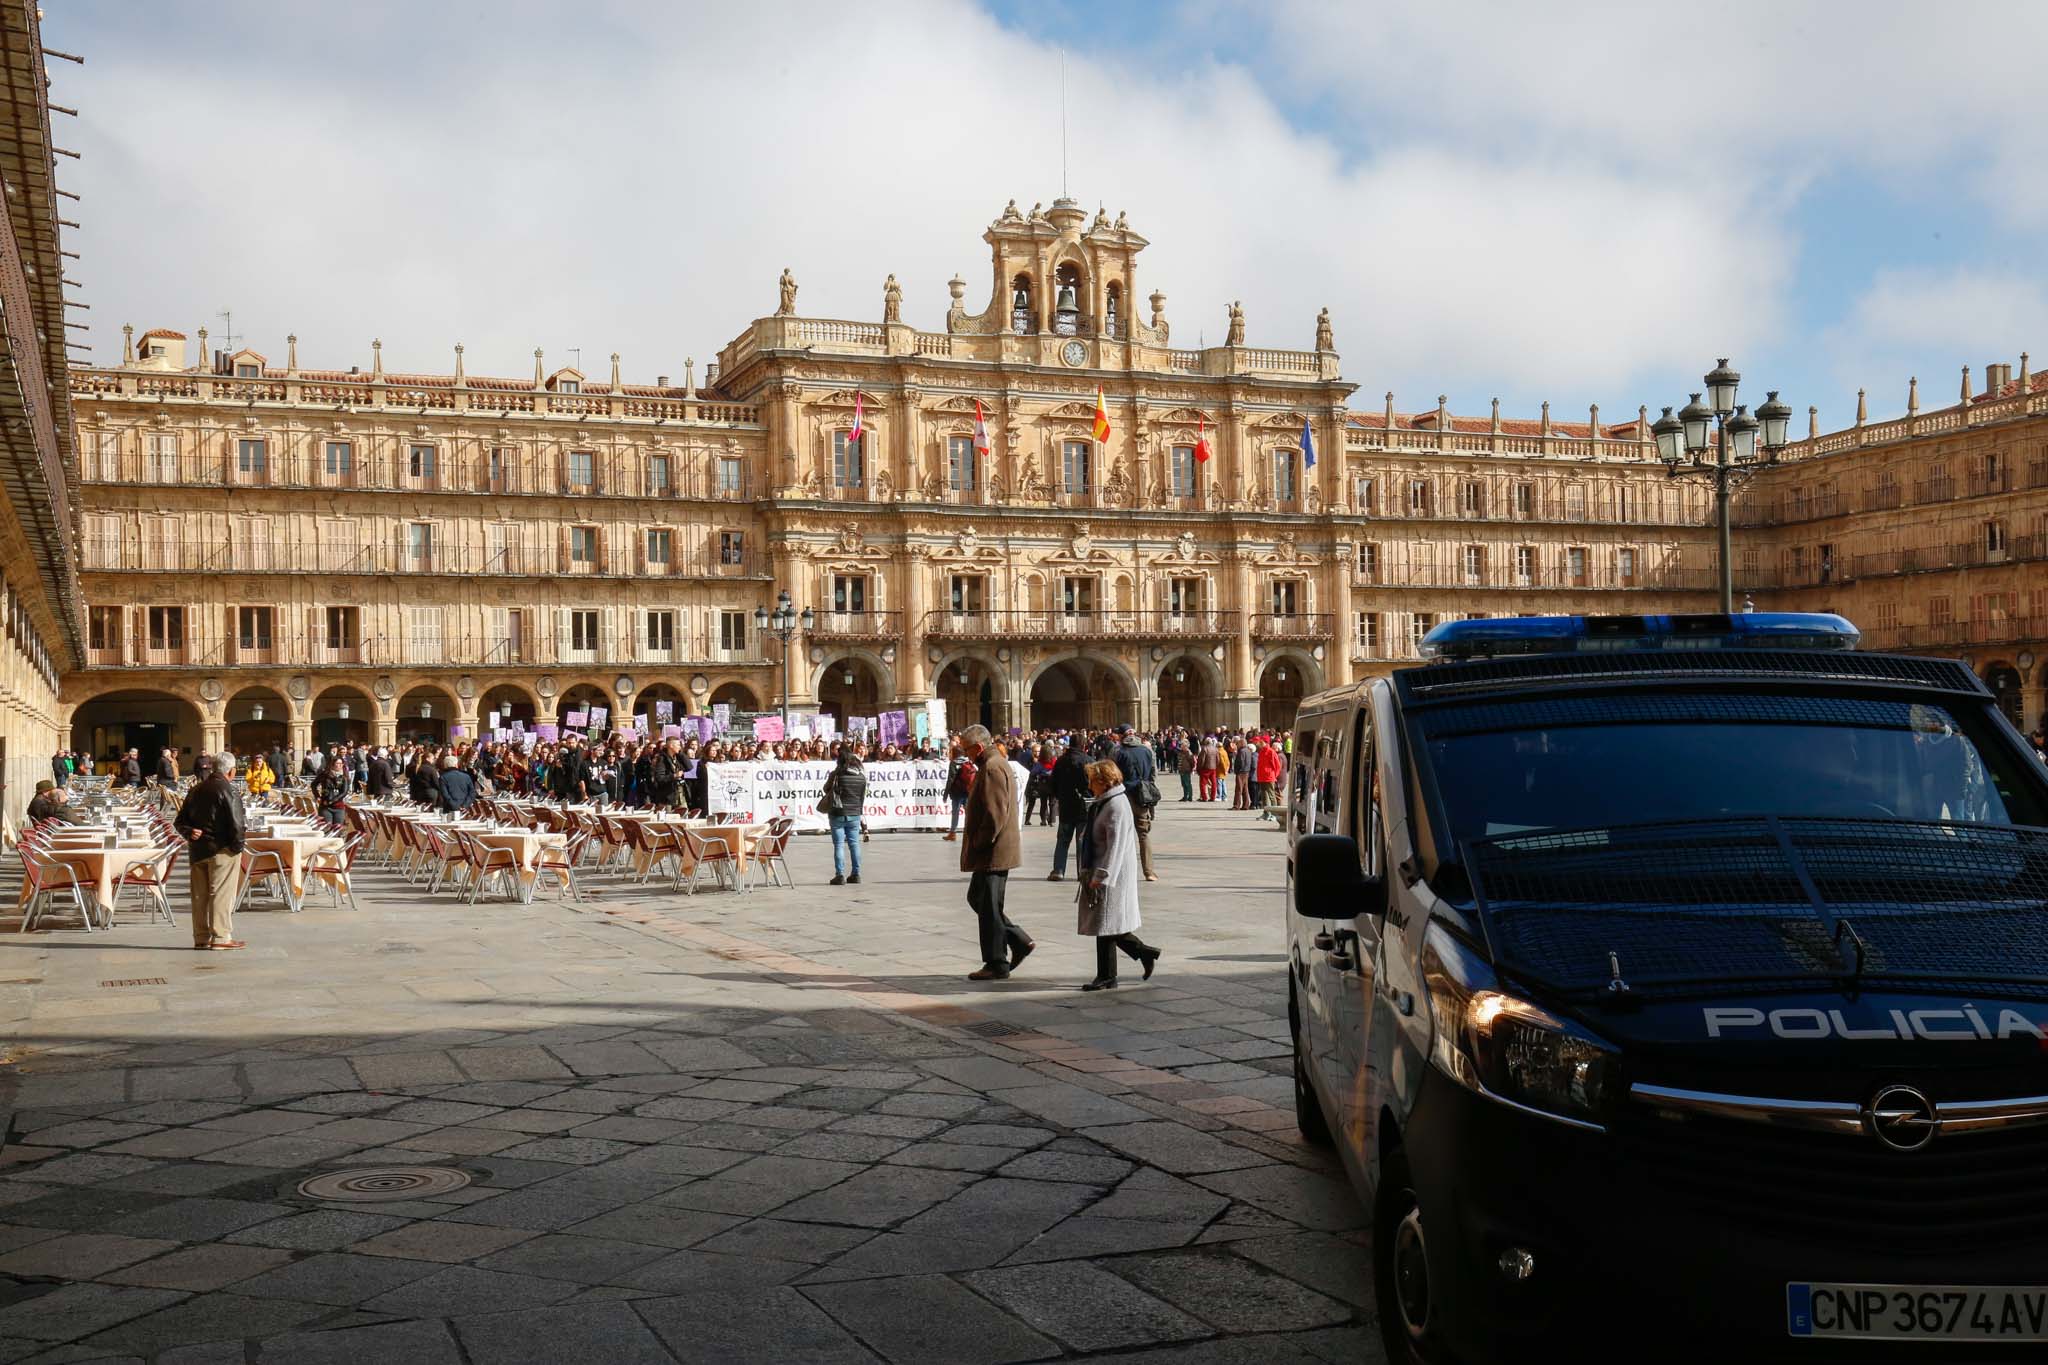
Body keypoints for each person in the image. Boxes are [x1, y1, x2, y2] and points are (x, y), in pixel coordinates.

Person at [1076, 758, 1161, 990]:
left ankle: (1109, 974)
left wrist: (1101, 876)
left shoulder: (1116, 805)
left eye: (1093, 780)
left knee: (1106, 925)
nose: (1090, 785)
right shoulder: (1106, 801)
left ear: (1104, 782)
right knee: (1105, 925)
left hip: (1112, 874)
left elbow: (1115, 847)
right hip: (1105, 869)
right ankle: (1133, 960)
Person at [958, 724, 1031, 980]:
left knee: (987, 904)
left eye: (967, 750)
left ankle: (997, 961)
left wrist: (979, 841)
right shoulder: (995, 763)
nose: (966, 755)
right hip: (995, 849)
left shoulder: (991, 767)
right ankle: (1017, 940)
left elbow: (995, 813)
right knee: (979, 898)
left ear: (978, 747)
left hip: (993, 850)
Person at [173, 752, 247, 951]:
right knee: (221, 893)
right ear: (231, 771)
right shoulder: (229, 790)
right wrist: (237, 847)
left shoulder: (195, 790)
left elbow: (179, 821)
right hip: (222, 849)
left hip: (198, 850)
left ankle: (201, 936)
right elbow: (237, 823)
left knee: (200, 895)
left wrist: (189, 832)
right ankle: (221, 936)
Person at [1111, 725, 1159, 882]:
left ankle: (1119, 870)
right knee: (1143, 834)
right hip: (1141, 796)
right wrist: (1148, 791)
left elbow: (1111, 774)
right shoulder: (1147, 750)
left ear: (1122, 736)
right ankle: (1149, 871)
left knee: (1121, 833)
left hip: (1122, 795)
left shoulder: (1117, 752)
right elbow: (1153, 773)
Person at [821, 744, 867, 885]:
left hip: (838, 812)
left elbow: (826, 788)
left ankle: (839, 875)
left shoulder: (837, 774)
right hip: (855, 813)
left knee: (839, 845)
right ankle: (856, 874)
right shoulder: (861, 775)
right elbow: (864, 794)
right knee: (854, 844)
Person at [1048, 733, 1091, 882]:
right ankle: (1082, 872)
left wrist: (1059, 797)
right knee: (1081, 840)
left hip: (1066, 807)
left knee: (1062, 840)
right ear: (1083, 745)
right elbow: (1093, 785)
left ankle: (1058, 870)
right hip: (1083, 807)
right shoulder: (1088, 761)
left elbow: (1052, 784)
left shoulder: (1060, 761)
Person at [944, 741, 976, 842]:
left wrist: (945, 794)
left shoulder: (954, 763)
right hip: (967, 791)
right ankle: (971, 832)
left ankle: (952, 833)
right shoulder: (969, 762)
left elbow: (951, 779)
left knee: (955, 812)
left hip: (957, 792)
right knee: (969, 813)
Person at [315, 755, 351, 828]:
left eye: (341, 764)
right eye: (337, 763)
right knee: (327, 828)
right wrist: (317, 796)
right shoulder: (325, 774)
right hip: (325, 806)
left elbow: (344, 792)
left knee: (337, 829)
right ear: (332, 764)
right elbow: (313, 784)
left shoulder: (344, 776)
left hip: (338, 806)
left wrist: (332, 801)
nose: (339, 765)